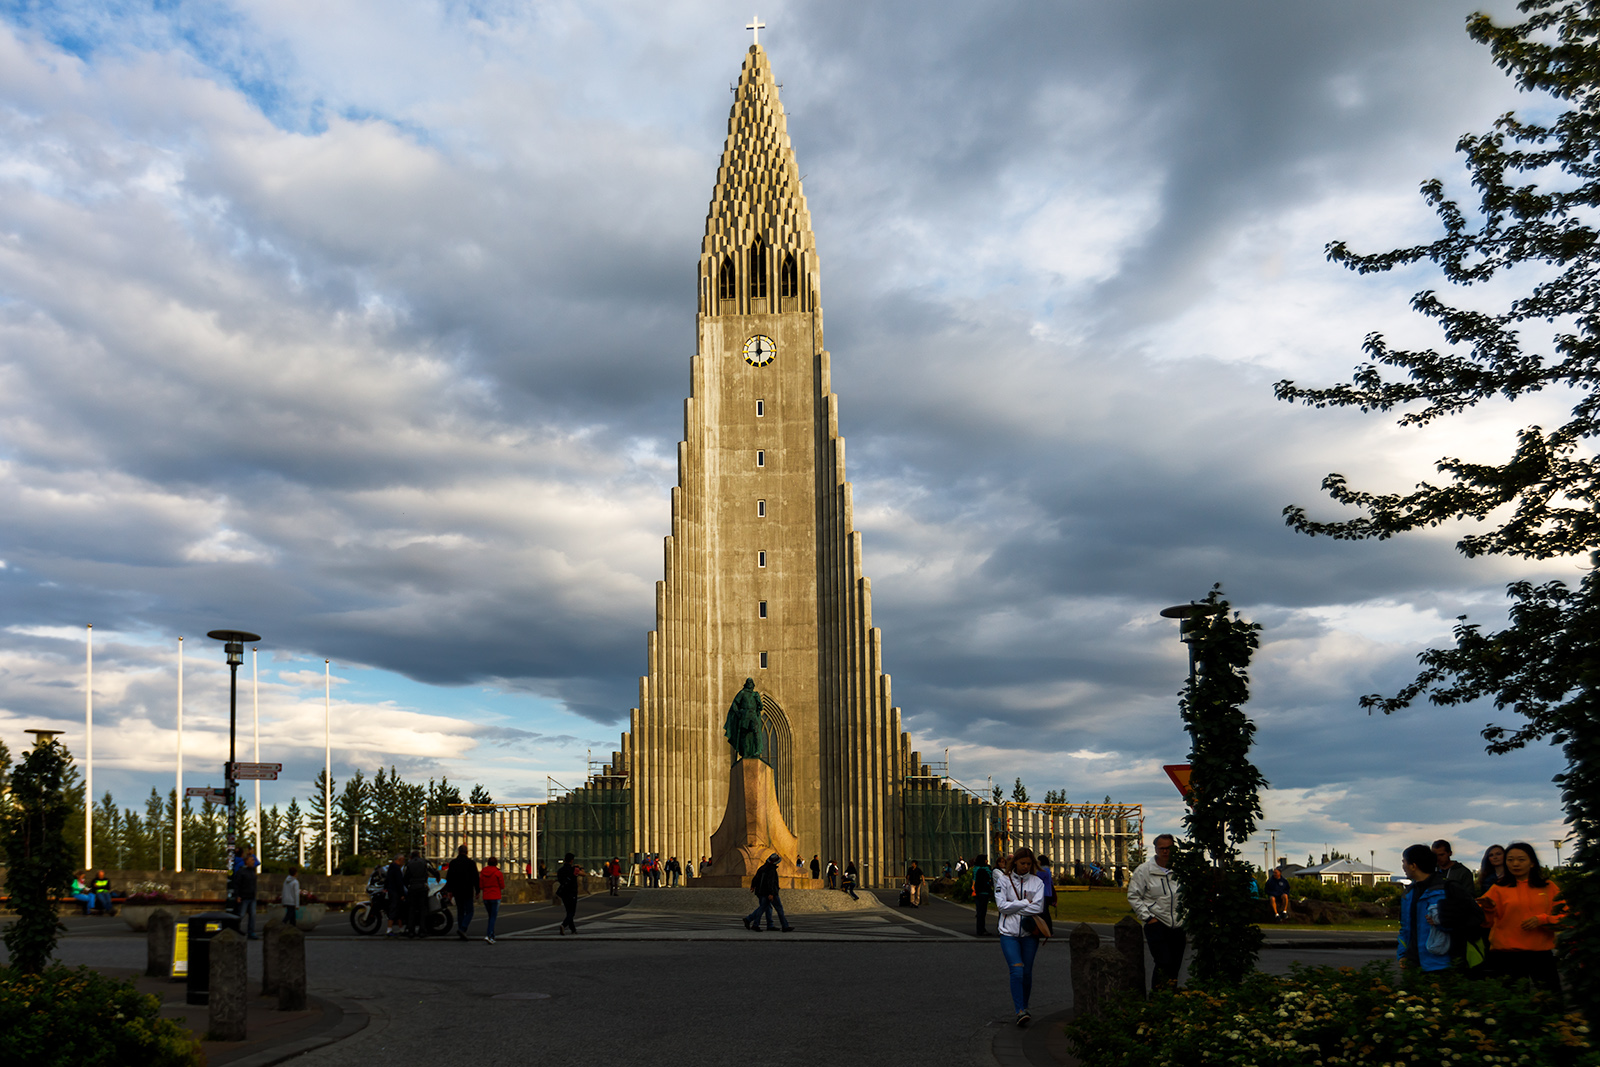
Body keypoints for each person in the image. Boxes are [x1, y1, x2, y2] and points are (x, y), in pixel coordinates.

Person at [1478, 841, 1563, 995]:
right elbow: (1485, 923)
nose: (1515, 864)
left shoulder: (1548, 887)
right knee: (1514, 1005)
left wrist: (1543, 920)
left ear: (1532, 863)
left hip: (1541, 955)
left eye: (1521, 860)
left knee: (1551, 1001)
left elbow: (1565, 917)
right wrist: (1488, 909)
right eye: (1510, 860)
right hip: (1507, 956)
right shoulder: (1498, 888)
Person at [1397, 843, 1483, 975]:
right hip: (1414, 963)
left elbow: (1475, 919)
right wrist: (1403, 954)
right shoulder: (1408, 894)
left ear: (1413, 866)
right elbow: (1405, 928)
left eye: (1404, 862)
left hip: (1445, 964)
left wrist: (1444, 922)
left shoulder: (1449, 889)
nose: (1403, 866)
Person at [995, 846, 1047, 1028]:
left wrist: (1014, 905)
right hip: (1008, 934)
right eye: (1022, 863)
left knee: (1026, 973)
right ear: (1015, 862)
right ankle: (1019, 1011)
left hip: (1029, 934)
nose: (1025, 866)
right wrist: (1026, 902)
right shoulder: (1004, 881)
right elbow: (1001, 906)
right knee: (1016, 970)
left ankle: (1025, 1007)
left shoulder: (1037, 882)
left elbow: (1038, 908)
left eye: (1029, 863)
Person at [1127, 834, 1185, 990]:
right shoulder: (1144, 871)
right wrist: (1148, 917)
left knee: (1175, 965)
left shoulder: (1181, 870)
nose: (1166, 852)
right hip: (1157, 923)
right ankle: (1158, 997)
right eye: (1162, 848)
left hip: (1178, 924)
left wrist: (1186, 916)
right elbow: (1133, 895)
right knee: (1163, 962)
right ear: (1156, 849)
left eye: (1169, 848)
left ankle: (1170, 998)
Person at [744, 854, 793, 931]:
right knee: (778, 909)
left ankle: (756, 923)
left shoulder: (762, 868)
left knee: (764, 908)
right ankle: (784, 926)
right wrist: (771, 893)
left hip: (761, 892)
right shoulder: (771, 870)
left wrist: (753, 886)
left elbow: (756, 878)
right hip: (770, 892)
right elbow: (770, 882)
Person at [446, 845, 479, 941]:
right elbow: (475, 878)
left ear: (458, 852)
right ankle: (463, 928)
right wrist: (477, 890)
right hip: (468, 890)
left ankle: (461, 929)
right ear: (467, 852)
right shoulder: (471, 863)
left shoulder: (453, 863)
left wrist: (449, 890)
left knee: (460, 911)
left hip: (457, 890)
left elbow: (449, 877)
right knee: (470, 911)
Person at [404, 849, 430, 938]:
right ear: (419, 855)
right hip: (422, 887)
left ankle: (411, 930)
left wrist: (407, 885)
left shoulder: (409, 863)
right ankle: (422, 930)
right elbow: (431, 871)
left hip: (412, 888)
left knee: (411, 910)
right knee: (423, 909)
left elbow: (406, 877)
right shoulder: (424, 862)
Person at [234, 849, 259, 938]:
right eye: (251, 860)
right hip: (244, 896)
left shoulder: (252, 871)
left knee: (252, 915)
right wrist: (237, 896)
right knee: (241, 914)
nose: (253, 862)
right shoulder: (242, 871)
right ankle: (235, 929)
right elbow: (237, 884)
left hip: (251, 896)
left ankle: (251, 932)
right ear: (246, 861)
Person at [384, 854, 408, 937]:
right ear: (400, 859)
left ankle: (398, 929)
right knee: (395, 910)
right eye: (403, 860)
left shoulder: (391, 868)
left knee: (397, 911)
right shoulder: (397, 869)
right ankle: (389, 929)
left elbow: (387, 880)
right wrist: (402, 894)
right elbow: (399, 883)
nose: (404, 862)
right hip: (396, 893)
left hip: (391, 891)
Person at [971, 853, 995, 936]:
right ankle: (982, 930)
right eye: (986, 859)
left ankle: (980, 929)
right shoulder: (986, 869)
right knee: (983, 912)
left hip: (977, 892)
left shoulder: (975, 868)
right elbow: (989, 879)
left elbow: (974, 879)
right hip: (984, 892)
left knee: (979, 912)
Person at [556, 852, 580, 934]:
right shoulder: (574, 869)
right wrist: (579, 867)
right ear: (572, 860)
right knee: (572, 912)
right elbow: (583, 874)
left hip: (563, 892)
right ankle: (563, 925)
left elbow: (559, 880)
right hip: (572, 892)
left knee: (568, 911)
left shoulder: (560, 870)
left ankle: (573, 929)